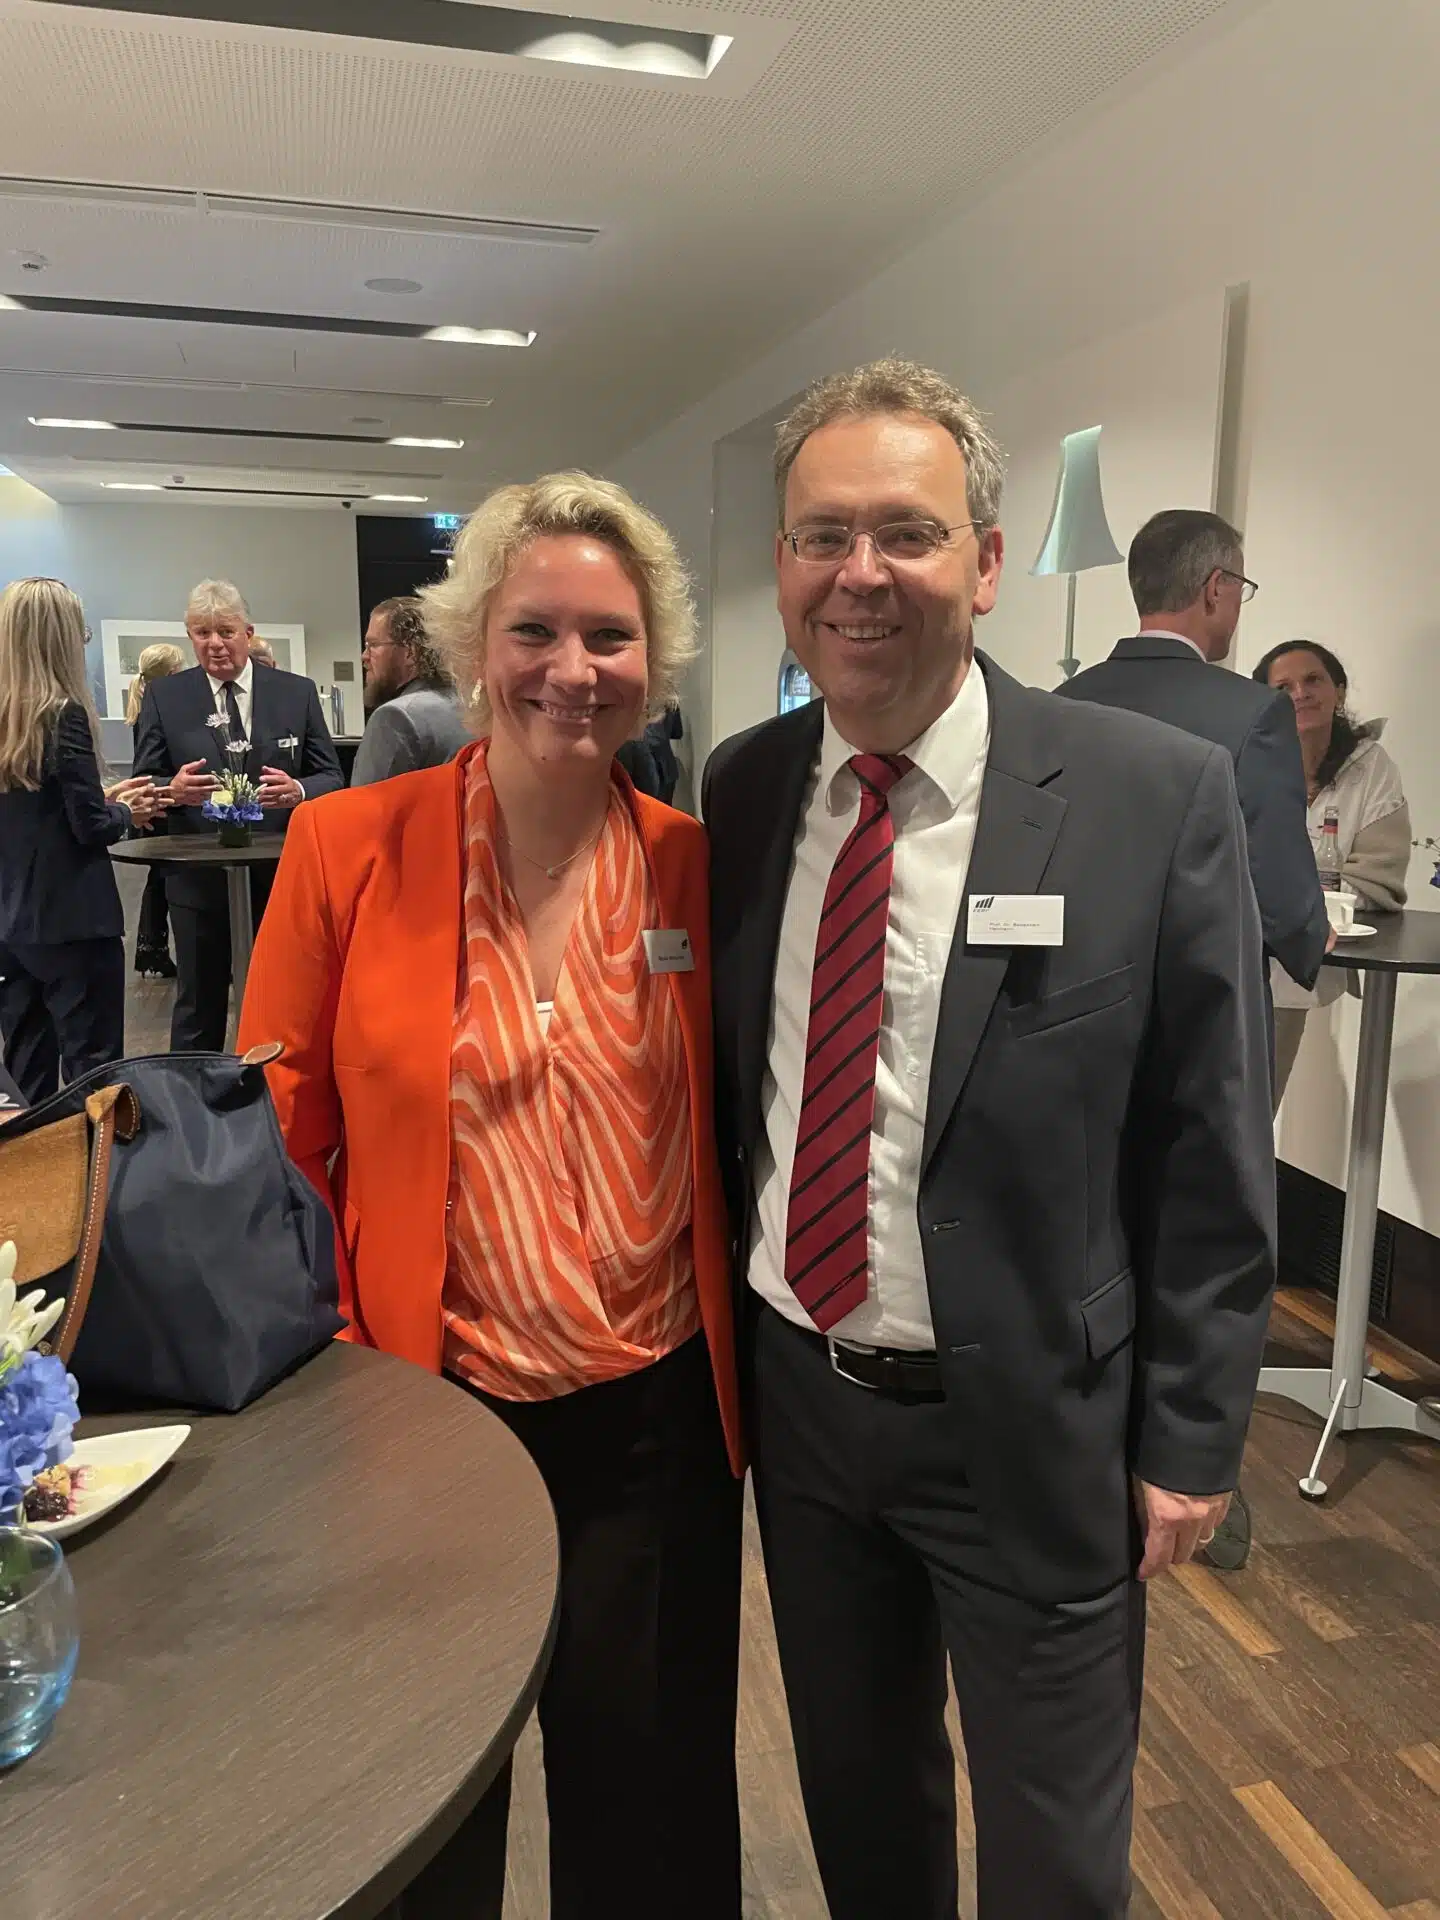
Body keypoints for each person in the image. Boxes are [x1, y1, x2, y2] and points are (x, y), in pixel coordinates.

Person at [704, 358, 1276, 1919]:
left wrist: (1192, 1437)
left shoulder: (1151, 796)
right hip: (806, 1411)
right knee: (863, 1811)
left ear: (991, 561)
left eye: (909, 532)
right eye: (824, 535)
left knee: (1055, 1859)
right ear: (784, 565)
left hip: (1035, 1419)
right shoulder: (746, 793)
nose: (861, 573)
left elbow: (1211, 1138)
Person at [238, 473, 743, 1920]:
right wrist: (335, 1381)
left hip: (653, 1417)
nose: (572, 669)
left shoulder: (693, 866)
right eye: (536, 630)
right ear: (473, 646)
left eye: (609, 635)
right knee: (430, 1810)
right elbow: (276, 1147)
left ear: (653, 660)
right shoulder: (349, 848)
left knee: (645, 1807)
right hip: (429, 1416)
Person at [1060, 510, 1328, 1576]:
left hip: (1071, 1012)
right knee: (1207, 1207)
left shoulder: (1058, 702)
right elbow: (1278, 878)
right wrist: (1309, 945)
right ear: (1217, 589)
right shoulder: (1249, 712)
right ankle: (1190, 1457)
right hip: (1200, 1007)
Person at [132, 580, 343, 1052]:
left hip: (281, 872)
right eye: (202, 633)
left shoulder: (296, 693)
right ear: (189, 636)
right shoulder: (165, 696)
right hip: (195, 875)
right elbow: (144, 780)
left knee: (285, 998)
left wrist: (299, 790)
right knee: (198, 1003)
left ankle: (276, 1090)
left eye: (225, 632)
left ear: (248, 633)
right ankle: (195, 1095)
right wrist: (171, 790)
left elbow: (331, 775)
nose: (215, 644)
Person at [0, 578, 165, 1101]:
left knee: (26, 1069)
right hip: (74, 920)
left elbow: (33, 809)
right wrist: (127, 810)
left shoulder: (9, 720)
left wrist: (103, 797)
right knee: (94, 1073)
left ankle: (31, 1155)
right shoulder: (62, 714)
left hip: (11, 925)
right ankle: (94, 1156)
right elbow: (90, 826)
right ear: (63, 638)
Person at [1254, 640, 1410, 1100]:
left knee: (1260, 1099)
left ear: (1338, 690)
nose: (1300, 693)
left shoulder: (1371, 768)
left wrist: (1296, 903)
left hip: (1304, 955)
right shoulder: (1247, 759)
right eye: (1283, 687)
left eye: (1313, 680)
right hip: (1240, 953)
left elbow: (1379, 876)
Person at [351, 596, 470, 786]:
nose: (364, 656)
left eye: (373, 645)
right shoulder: (468, 705)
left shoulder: (396, 717)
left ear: (410, 652)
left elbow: (367, 801)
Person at [125, 642, 187, 979]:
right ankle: (153, 948)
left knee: (158, 879)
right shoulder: (158, 708)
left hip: (157, 800)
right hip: (162, 803)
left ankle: (152, 948)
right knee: (162, 880)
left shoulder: (144, 705)